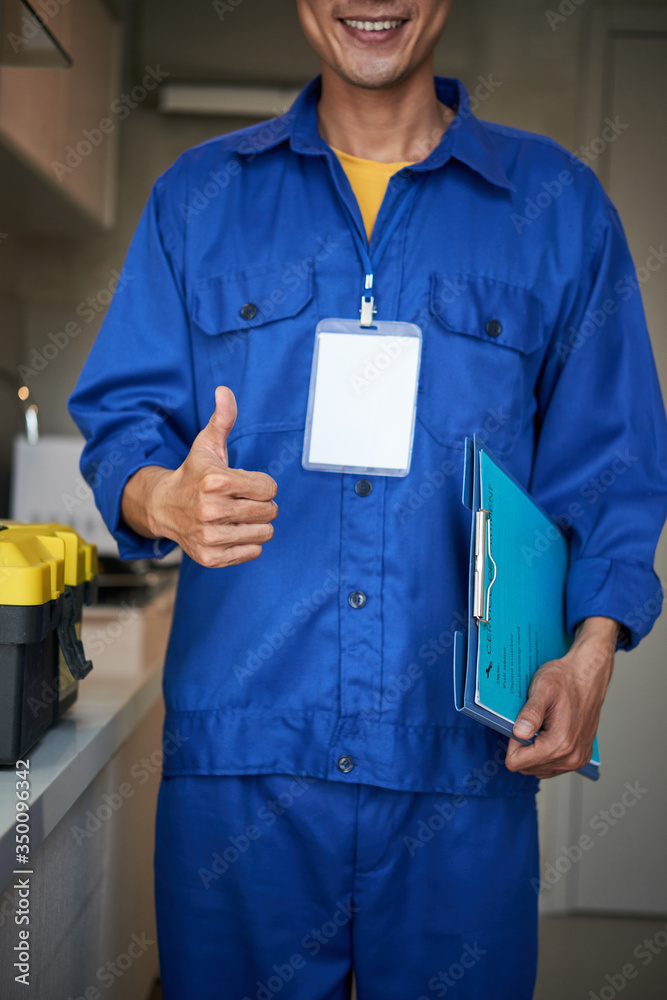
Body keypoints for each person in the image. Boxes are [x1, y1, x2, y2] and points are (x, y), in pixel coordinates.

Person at [68, 2, 667, 997]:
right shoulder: (199, 199)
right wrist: (157, 496)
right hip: (242, 775)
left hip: (462, 774)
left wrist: (592, 646)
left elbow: (609, 463)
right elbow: (124, 425)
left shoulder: (557, 210)